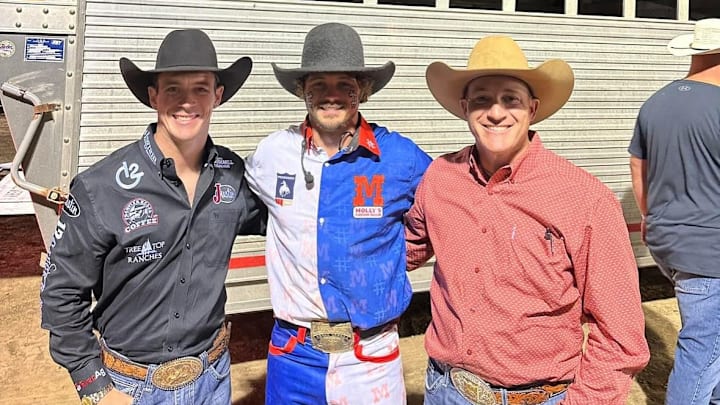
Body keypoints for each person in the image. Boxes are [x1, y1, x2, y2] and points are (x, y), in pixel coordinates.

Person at [405, 36, 650, 405]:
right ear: (464, 107)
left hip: (541, 397)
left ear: (532, 109)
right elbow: (404, 250)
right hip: (447, 390)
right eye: (482, 99)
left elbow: (620, 333)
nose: (496, 113)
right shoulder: (440, 178)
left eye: (511, 99)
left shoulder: (585, 198)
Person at [40, 29, 267, 405]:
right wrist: (95, 387)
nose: (186, 102)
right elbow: (61, 293)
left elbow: (289, 221)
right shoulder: (101, 187)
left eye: (200, 88)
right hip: (131, 389)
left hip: (213, 379)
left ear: (218, 96)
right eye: (173, 88)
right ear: (153, 96)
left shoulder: (233, 175)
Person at [244, 22, 432, 404]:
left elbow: (452, 206)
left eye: (344, 85)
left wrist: (397, 257)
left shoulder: (400, 159)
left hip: (371, 357)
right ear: (302, 91)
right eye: (318, 85)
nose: (331, 97)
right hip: (293, 356)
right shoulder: (271, 154)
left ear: (362, 90)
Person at [629, 18, 720, 405]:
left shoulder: (656, 102)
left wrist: (653, 219)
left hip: (668, 241)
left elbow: (638, 169)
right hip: (712, 249)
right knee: (701, 352)